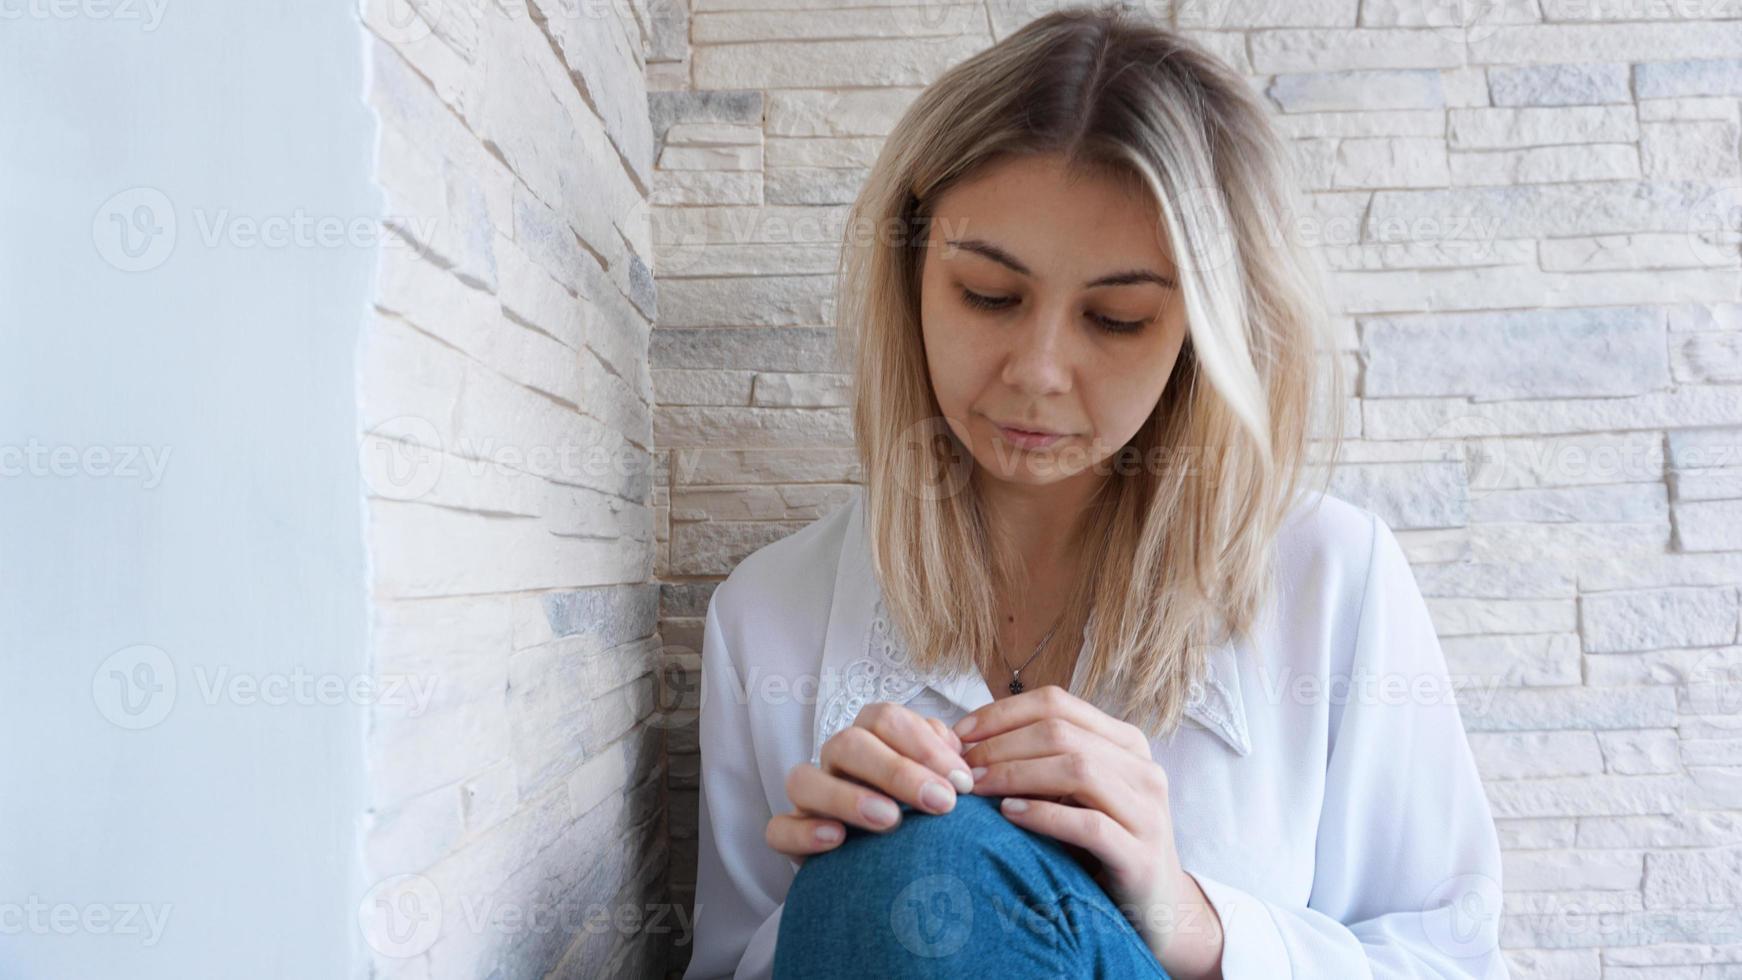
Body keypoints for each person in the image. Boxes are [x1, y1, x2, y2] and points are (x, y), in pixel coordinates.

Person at [680, 5, 1508, 978]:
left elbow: (1448, 958)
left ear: (1201, 331)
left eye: (1115, 319)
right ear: (908, 278)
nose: (1036, 371)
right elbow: (730, 965)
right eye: (987, 294)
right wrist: (842, 881)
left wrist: (1189, 916)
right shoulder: (767, 616)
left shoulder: (1331, 578)